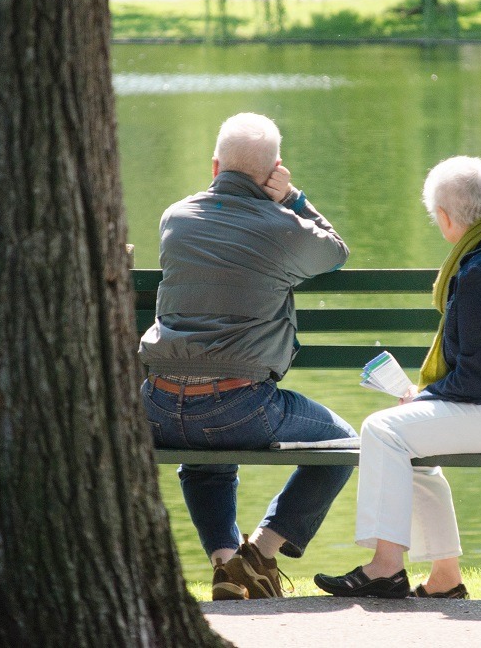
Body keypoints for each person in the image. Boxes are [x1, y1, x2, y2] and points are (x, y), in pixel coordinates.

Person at [314, 156, 481, 600]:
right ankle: (444, 577)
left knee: (382, 430)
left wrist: (426, 395)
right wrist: (428, 399)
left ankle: (385, 568)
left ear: (444, 217)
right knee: (406, 438)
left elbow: (477, 377)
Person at [139, 112, 356, 601]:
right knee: (343, 446)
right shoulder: (283, 227)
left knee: (201, 445)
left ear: (215, 165)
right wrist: (295, 199)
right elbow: (335, 251)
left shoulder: (174, 217)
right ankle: (260, 553)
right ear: (274, 170)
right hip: (237, 407)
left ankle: (225, 565)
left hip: (157, 406)